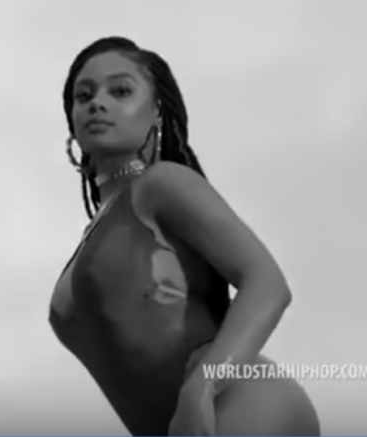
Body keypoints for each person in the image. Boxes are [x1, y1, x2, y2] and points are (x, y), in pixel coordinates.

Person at [48, 37, 319, 436]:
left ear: (157, 110)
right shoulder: (96, 232)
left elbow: (267, 283)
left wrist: (202, 389)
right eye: (84, 96)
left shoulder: (162, 185)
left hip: (234, 404)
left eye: (120, 91)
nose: (97, 103)